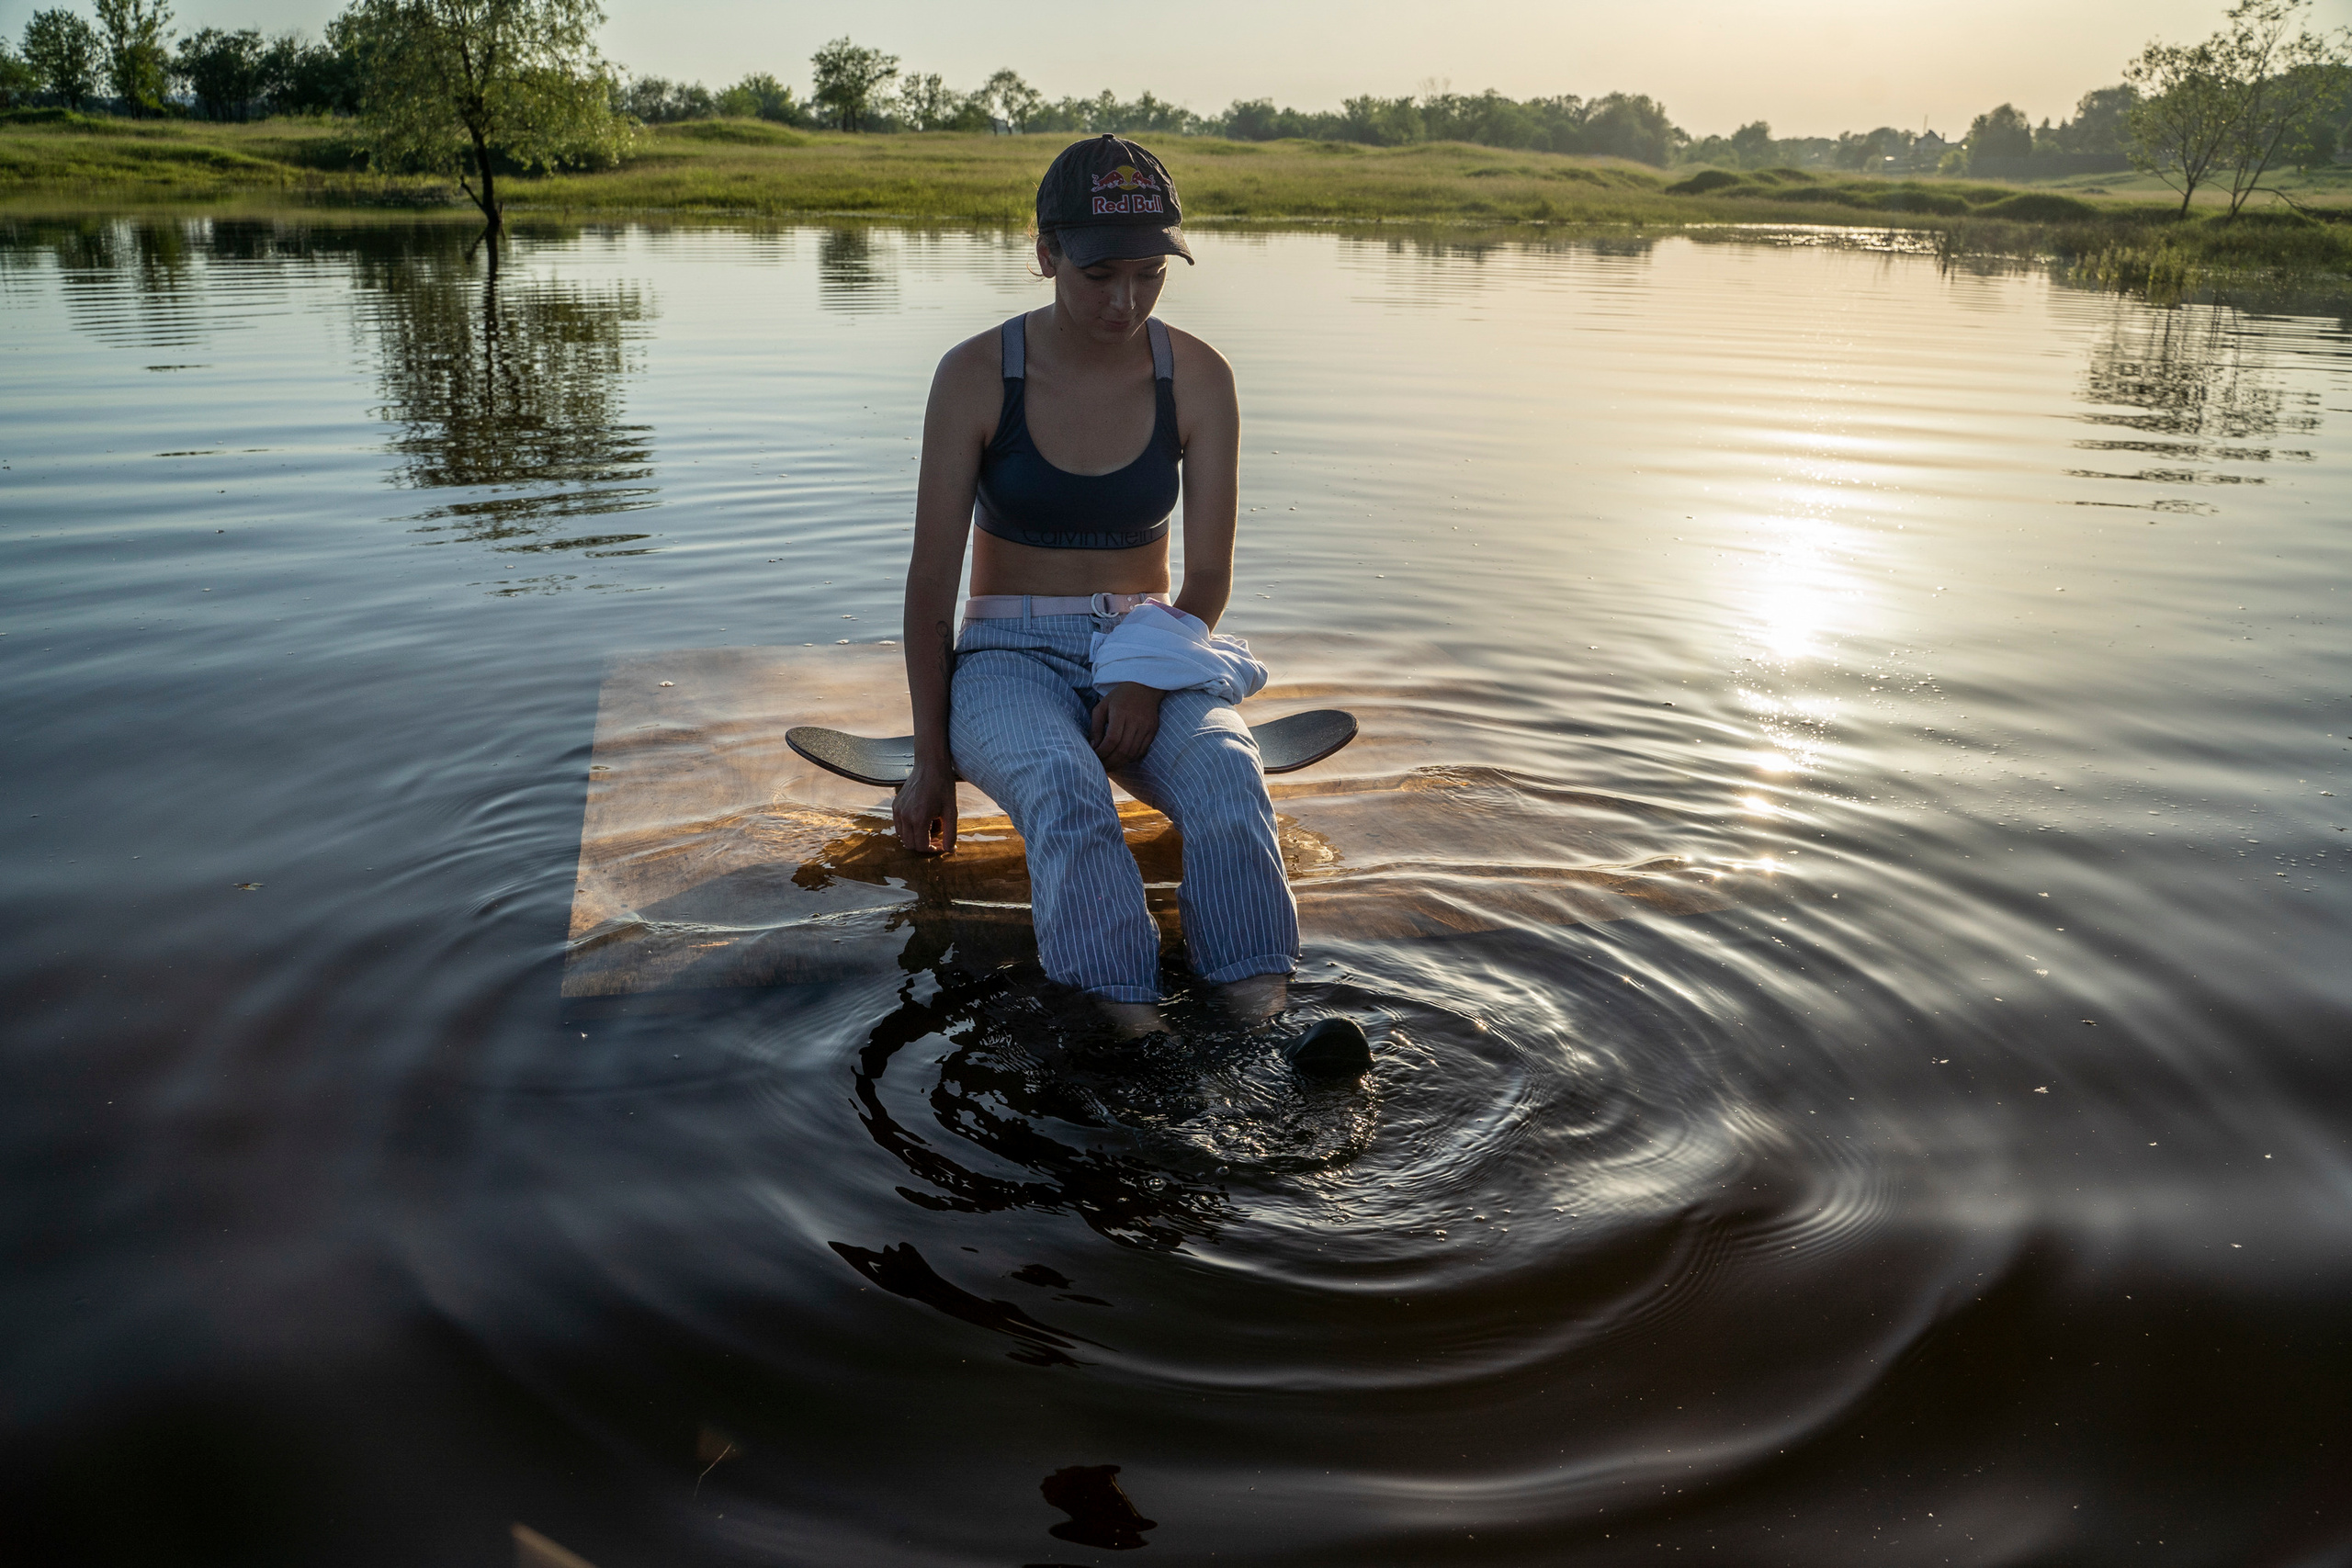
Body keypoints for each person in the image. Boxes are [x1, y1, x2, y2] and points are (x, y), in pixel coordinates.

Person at [894, 133, 1299, 1041]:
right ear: (1045, 253)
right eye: (1099, 275)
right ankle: (1128, 1029)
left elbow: (1209, 576)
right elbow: (930, 587)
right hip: (1007, 658)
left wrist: (1147, 678)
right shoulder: (975, 374)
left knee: (1233, 778)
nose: (1125, 302)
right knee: (1066, 791)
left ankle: (1259, 1020)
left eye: (1149, 275)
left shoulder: (1197, 376)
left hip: (1149, 648)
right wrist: (930, 760)